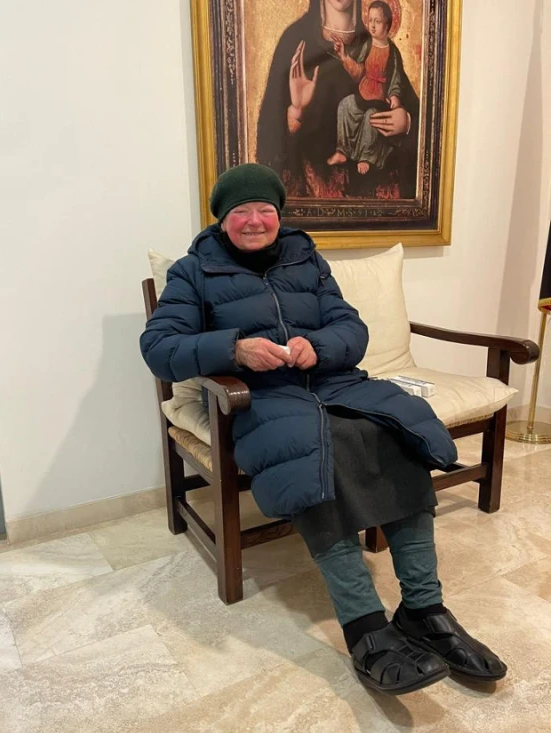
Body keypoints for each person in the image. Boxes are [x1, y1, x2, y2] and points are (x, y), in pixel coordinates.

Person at [140, 163, 507, 696]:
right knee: (311, 456)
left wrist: (321, 347)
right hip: (262, 396)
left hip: (335, 383)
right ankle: (364, 626)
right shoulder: (192, 272)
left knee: (395, 433)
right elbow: (159, 348)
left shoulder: (305, 257)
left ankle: (424, 608)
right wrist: (234, 350)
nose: (254, 220)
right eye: (240, 211)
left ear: (278, 214)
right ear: (221, 219)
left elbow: (351, 327)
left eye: (264, 209)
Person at [257, 0, 419, 198]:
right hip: (313, 201)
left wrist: (406, 123)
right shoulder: (294, 41)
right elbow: (268, 147)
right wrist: (296, 111)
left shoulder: (379, 44)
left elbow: (424, 132)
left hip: (374, 204)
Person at [327, 2, 405, 175]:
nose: (372, 25)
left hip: (379, 100)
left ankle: (366, 157)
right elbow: (358, 72)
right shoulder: (367, 46)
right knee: (345, 105)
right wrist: (344, 56)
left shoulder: (393, 52)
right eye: (370, 20)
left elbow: (396, 79)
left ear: (388, 25)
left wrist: (394, 96)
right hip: (362, 94)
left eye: (378, 21)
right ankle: (342, 151)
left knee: (371, 118)